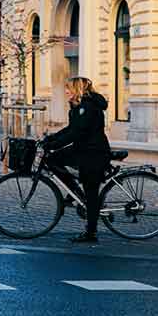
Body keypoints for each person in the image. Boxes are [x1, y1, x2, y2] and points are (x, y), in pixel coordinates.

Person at [42, 77, 111, 243]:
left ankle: (91, 233)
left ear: (76, 90)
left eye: (68, 89)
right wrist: (51, 139)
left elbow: (77, 133)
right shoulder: (77, 106)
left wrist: (55, 144)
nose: (66, 92)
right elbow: (71, 129)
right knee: (52, 160)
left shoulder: (88, 107)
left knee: (91, 193)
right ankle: (75, 192)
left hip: (93, 152)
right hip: (83, 149)